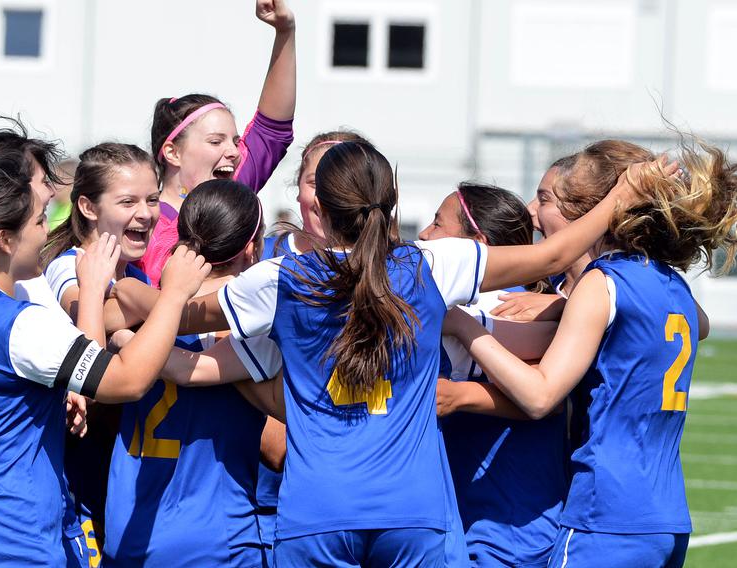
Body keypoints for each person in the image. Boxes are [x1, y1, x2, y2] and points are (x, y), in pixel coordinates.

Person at [130, 139, 656, 566]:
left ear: (320, 205)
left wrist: (123, 297)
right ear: (394, 198)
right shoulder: (432, 265)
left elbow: (185, 314)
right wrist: (622, 194)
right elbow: (555, 253)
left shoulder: (280, 278)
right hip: (414, 512)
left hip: (317, 511)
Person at [0, 126, 210, 566]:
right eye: (37, 222)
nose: (46, 231)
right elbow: (127, 380)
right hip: (9, 541)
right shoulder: (17, 324)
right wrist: (174, 296)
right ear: (4, 239)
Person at [444, 140, 734, 567]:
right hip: (667, 519)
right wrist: (566, 305)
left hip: (606, 517)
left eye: (546, 199)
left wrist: (464, 327)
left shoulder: (604, 282)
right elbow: (699, 325)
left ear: (592, 213)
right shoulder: (671, 284)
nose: (532, 210)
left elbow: (540, 395)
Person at [105, 179, 276, 566]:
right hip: (218, 542)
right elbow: (279, 449)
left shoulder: (133, 310)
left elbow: (94, 325)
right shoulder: (256, 326)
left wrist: (124, 331)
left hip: (128, 532)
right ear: (252, 249)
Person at [421, 182, 568, 567]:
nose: (424, 234)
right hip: (469, 513)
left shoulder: (506, 304)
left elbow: (547, 398)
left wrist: (462, 395)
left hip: (510, 520)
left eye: (437, 223)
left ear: (477, 245)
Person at [42, 142, 161, 561]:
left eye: (152, 199)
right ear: (89, 208)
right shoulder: (70, 265)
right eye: (127, 201)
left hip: (115, 466)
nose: (144, 213)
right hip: (76, 470)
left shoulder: (135, 270)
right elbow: (88, 370)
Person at [139, 0, 296, 286]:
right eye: (216, 141)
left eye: (235, 141)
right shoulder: (141, 219)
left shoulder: (232, 194)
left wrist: (285, 32)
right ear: (172, 152)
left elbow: (273, 129)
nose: (234, 152)